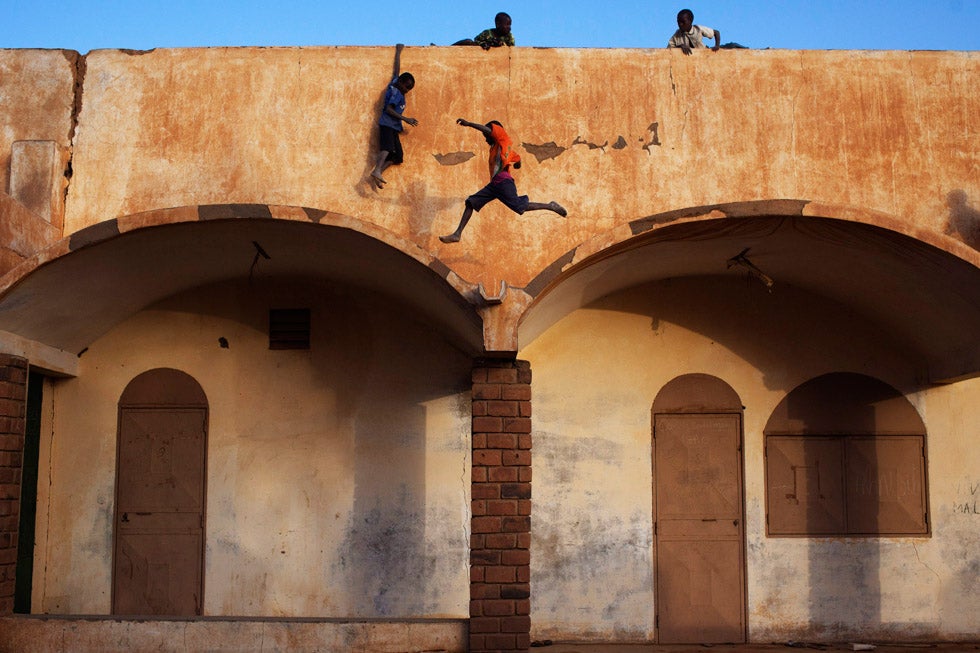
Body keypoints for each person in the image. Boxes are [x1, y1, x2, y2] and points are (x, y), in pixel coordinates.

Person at [439, 118, 566, 244]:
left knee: (519, 206)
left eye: (486, 135)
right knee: (471, 202)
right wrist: (518, 164)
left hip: (504, 182)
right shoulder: (497, 147)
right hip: (494, 185)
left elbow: (488, 130)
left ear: (494, 131)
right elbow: (517, 157)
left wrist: (469, 124)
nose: (485, 138)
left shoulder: (502, 137)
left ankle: (550, 206)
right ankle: (457, 234)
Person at [371, 44, 418, 188]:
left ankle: (378, 172)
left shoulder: (395, 82)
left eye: (409, 89)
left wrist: (398, 52)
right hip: (387, 124)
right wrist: (406, 119)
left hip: (394, 128)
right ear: (400, 83)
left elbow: (396, 70)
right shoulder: (395, 92)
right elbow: (389, 110)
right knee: (387, 148)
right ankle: (378, 169)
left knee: (397, 156)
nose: (407, 90)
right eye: (406, 86)